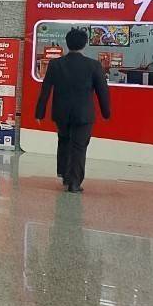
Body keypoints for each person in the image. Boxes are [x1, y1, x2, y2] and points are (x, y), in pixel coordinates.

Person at [35, 28, 111, 193]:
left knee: (64, 141)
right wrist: (106, 112)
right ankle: (74, 183)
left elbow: (45, 90)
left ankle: (64, 175)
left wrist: (39, 113)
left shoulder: (56, 64)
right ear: (84, 44)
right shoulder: (94, 65)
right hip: (84, 114)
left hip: (61, 113)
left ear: (67, 43)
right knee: (79, 146)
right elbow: (102, 91)